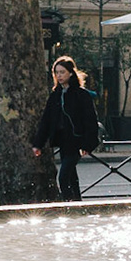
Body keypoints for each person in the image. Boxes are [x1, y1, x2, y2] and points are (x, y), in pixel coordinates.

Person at [32, 55, 98, 202]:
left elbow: (90, 120)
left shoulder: (81, 95)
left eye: (62, 72)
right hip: (62, 140)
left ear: (70, 73)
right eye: (57, 72)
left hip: (76, 141)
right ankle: (77, 204)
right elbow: (46, 121)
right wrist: (38, 144)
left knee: (63, 177)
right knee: (71, 177)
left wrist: (88, 144)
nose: (59, 75)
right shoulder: (55, 95)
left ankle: (69, 206)